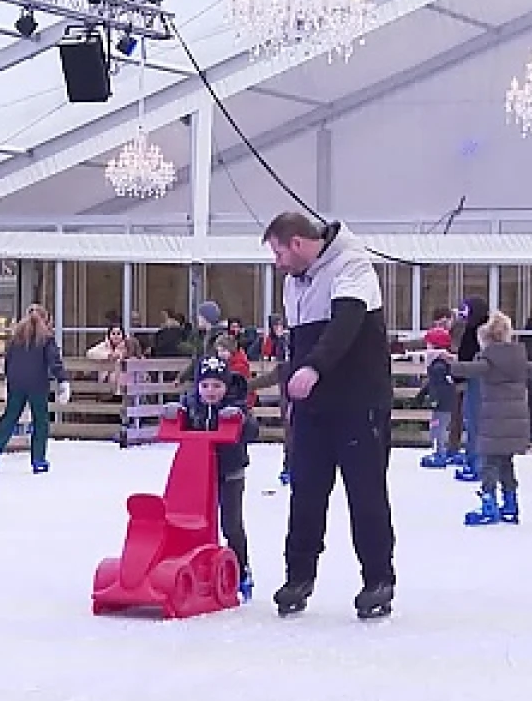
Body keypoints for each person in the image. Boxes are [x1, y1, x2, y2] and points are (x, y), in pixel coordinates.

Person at [263, 212, 396, 622]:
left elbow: (346, 324)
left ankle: (378, 579)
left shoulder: (352, 266)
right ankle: (298, 576)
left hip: (359, 402)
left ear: (299, 243)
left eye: (279, 252)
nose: (277, 262)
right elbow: (297, 342)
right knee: (305, 492)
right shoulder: (292, 283)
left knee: (365, 494)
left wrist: (313, 368)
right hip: (314, 408)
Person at [178, 355, 258, 600]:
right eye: (205, 385)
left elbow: (253, 432)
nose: (210, 391)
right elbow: (183, 428)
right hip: (201, 473)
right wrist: (176, 415)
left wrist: (241, 420)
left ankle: (242, 570)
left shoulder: (237, 405)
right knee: (199, 522)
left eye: (217, 385)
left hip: (230, 472)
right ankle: (199, 566)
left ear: (226, 386)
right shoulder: (193, 406)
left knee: (231, 524)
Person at [450, 312, 530, 526]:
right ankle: (511, 504)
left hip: (494, 421)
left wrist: (449, 364)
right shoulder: (518, 359)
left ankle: (488, 503)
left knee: (489, 464)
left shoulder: (490, 360)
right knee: (506, 463)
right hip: (514, 422)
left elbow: (471, 369)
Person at [0, 304, 69, 473]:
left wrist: (9, 381)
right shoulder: (46, 338)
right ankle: (38, 459)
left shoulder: (16, 338)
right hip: (37, 384)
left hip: (16, 383)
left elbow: (8, 362)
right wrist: (63, 380)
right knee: (40, 421)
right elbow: (54, 361)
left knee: (9, 418)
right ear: (45, 319)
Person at [450, 296, 489, 480]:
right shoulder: (472, 329)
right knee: (472, 422)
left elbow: (469, 357)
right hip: (472, 381)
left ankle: (477, 464)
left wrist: (458, 373)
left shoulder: (480, 331)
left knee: (476, 423)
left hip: (478, 382)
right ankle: (473, 460)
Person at [419, 326, 458, 468]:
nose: (426, 346)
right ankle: (439, 451)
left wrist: (434, 399)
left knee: (438, 428)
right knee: (438, 427)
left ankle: (440, 453)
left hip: (442, 403)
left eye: (428, 343)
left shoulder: (439, 366)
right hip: (444, 402)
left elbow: (438, 386)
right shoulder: (438, 363)